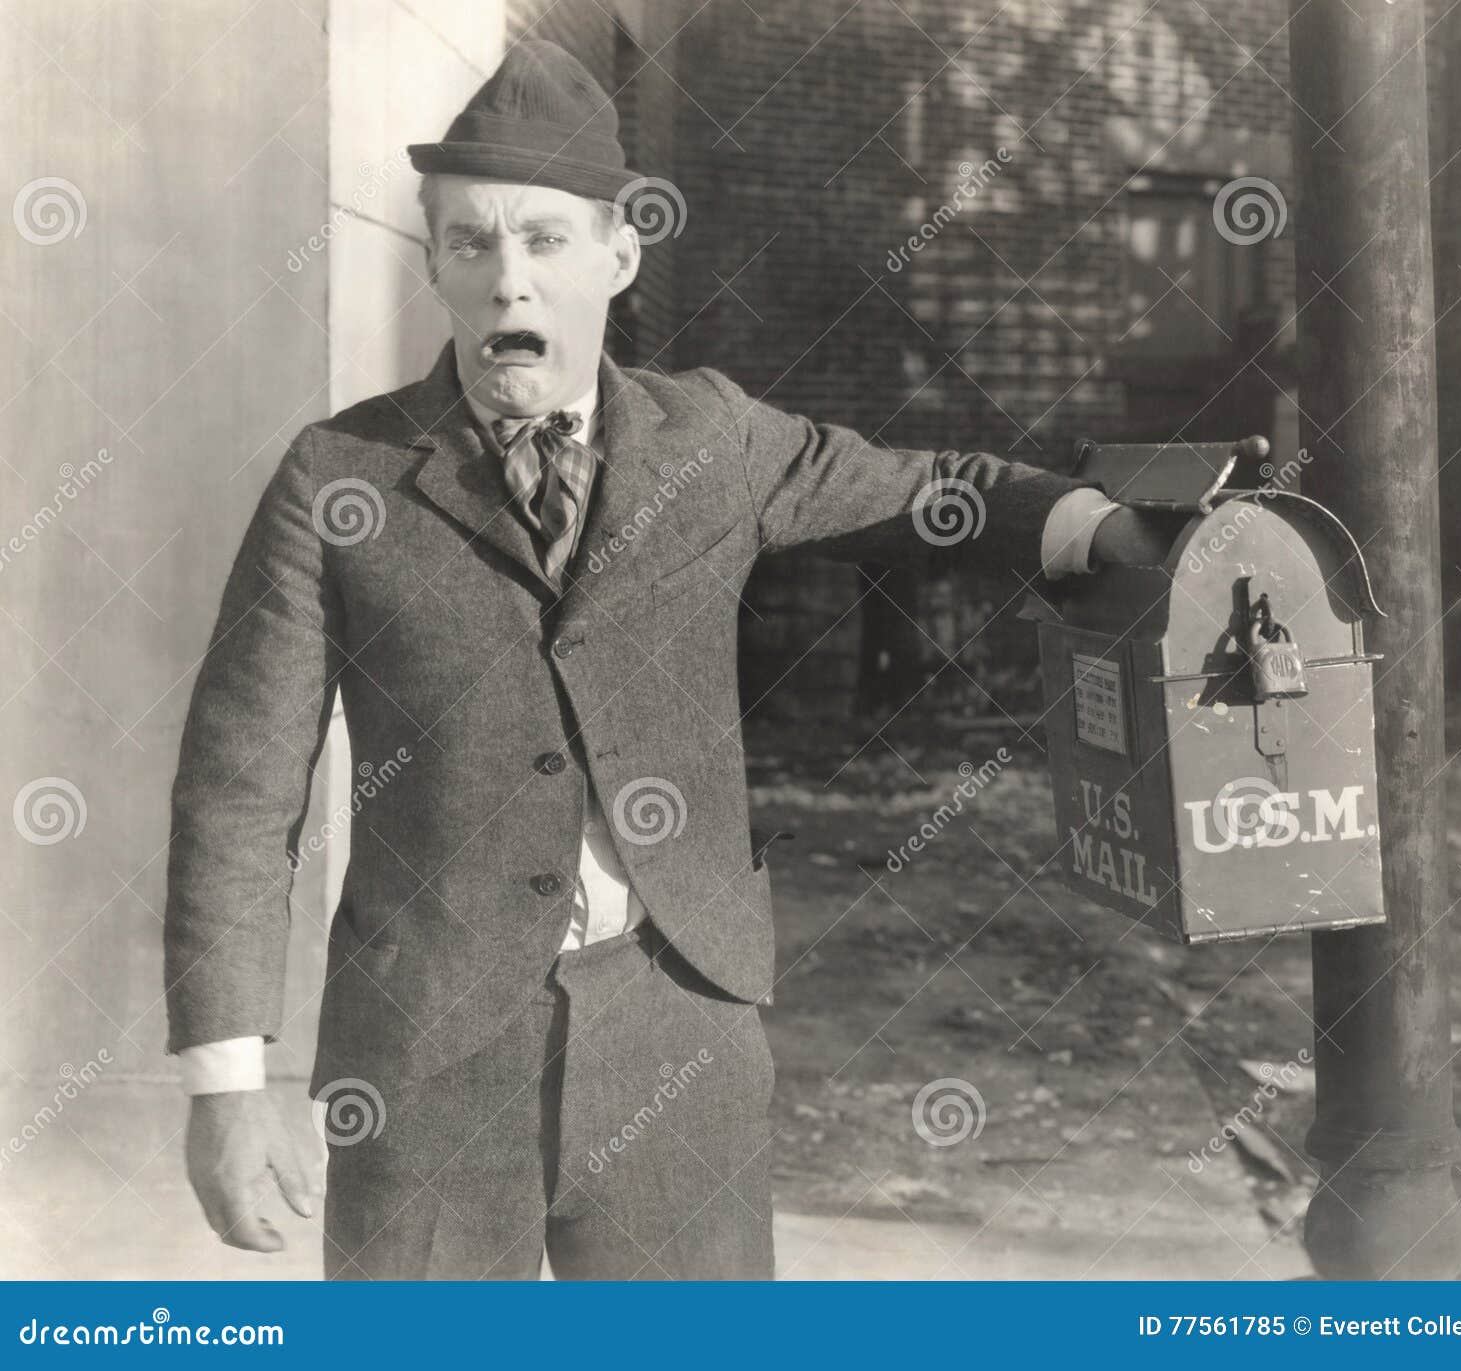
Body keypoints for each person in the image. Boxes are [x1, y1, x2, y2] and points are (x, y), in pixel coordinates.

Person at [164, 39, 1160, 1280]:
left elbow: (924, 493)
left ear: (618, 253)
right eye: (469, 243)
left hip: (676, 1019)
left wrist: (1100, 527)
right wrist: (225, 1079)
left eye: (541, 240)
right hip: (426, 1051)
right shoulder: (340, 478)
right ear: (433, 260)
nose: (505, 285)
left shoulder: (717, 441)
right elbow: (238, 787)